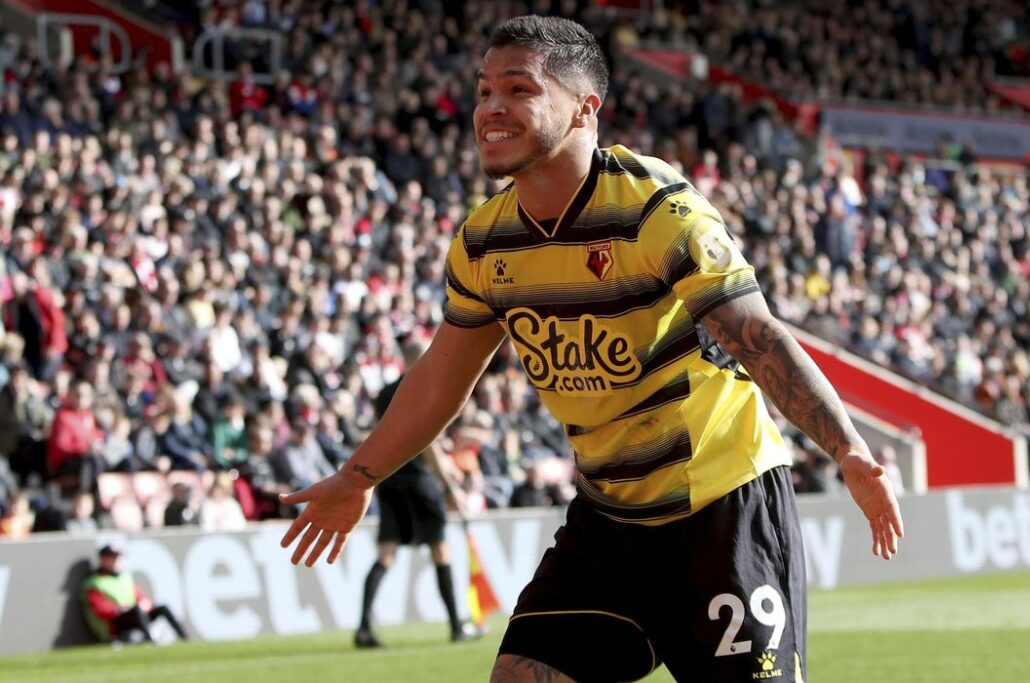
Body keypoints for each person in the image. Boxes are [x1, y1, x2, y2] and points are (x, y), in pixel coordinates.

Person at [280, 15, 903, 683]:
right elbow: (441, 377)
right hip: (610, 519)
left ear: (585, 110)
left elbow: (757, 334)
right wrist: (359, 475)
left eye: (518, 89)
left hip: (721, 509)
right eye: (484, 90)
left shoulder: (657, 210)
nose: (490, 108)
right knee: (522, 674)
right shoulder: (485, 242)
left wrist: (849, 449)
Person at [354, 337, 482, 648]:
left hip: (388, 479)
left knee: (386, 553)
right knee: (440, 550)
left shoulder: (385, 393)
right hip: (419, 481)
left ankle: (363, 628)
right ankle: (456, 626)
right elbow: (430, 444)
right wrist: (449, 487)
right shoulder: (424, 388)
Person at [81, 544, 189, 644]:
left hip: (135, 614)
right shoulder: (94, 583)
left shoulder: (124, 578)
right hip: (116, 623)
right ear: (103, 559)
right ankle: (150, 641)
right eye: (112, 557)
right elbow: (99, 609)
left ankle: (184, 637)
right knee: (136, 611)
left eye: (117, 557)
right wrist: (119, 609)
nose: (116, 561)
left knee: (162, 608)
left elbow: (140, 596)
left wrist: (145, 604)